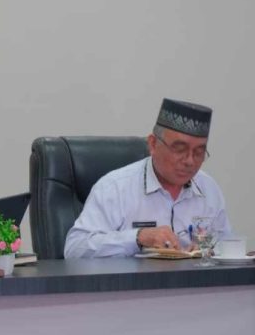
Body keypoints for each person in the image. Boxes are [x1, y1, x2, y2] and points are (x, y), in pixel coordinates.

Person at [64, 99, 233, 259]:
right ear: (153, 144)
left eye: (198, 152)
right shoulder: (115, 187)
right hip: (132, 280)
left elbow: (227, 245)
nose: (189, 161)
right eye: (180, 150)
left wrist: (209, 249)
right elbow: (75, 249)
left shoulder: (208, 188)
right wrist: (138, 238)